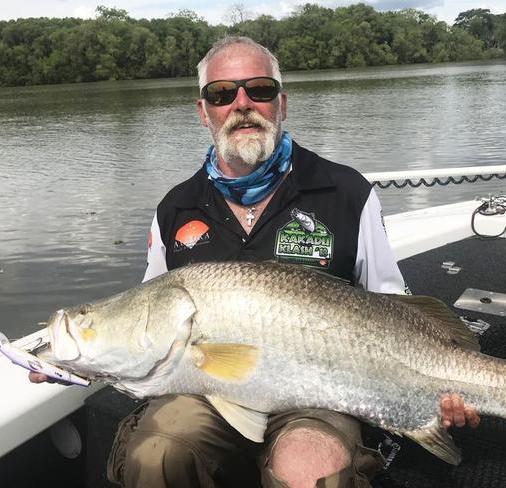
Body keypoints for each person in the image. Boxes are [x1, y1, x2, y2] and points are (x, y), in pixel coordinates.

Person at [32, 36, 479, 488]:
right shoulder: (174, 209)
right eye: (222, 94)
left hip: (322, 391)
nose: (241, 104)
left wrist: (442, 381)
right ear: (203, 112)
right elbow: (149, 315)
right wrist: (81, 360)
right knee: (157, 452)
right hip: (202, 391)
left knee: (310, 468)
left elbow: (391, 302)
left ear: (281, 103)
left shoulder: (347, 192)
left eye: (259, 90)